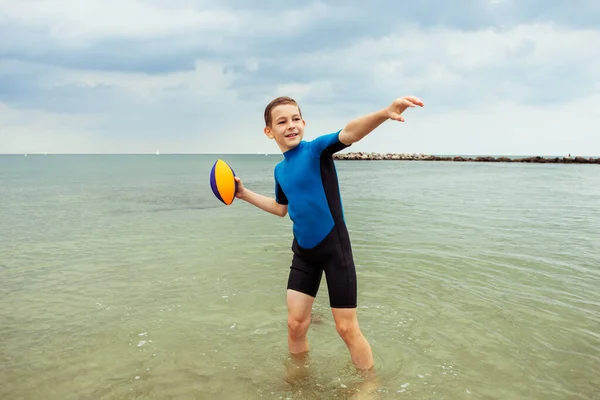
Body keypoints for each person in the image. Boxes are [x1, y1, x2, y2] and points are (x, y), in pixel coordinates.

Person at [234, 95, 424, 378]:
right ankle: (299, 380)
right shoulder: (280, 170)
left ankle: (369, 387)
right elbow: (280, 209)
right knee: (295, 324)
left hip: (335, 249)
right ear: (269, 131)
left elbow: (350, 133)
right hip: (304, 254)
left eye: (295, 119)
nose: (291, 126)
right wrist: (243, 194)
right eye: (282, 122)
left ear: (304, 123)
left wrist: (385, 113)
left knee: (346, 328)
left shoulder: (316, 150)